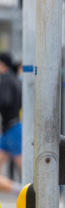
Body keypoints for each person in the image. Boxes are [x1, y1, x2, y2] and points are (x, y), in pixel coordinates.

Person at [0, 52, 22, 194]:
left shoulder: (7, 80)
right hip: (11, 128)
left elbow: (5, 101)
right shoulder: (13, 79)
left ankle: (32, 193)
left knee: (25, 168)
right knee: (25, 168)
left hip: (12, 128)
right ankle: (22, 190)